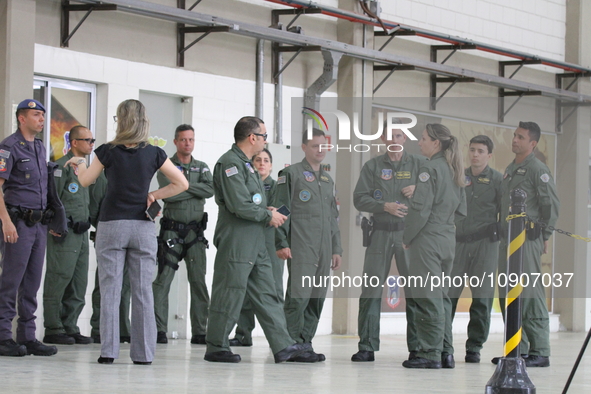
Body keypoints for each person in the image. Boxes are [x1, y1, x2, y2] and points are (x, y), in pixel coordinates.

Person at [66, 99, 188, 365]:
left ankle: (108, 351)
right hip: (143, 226)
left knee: (110, 289)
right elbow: (182, 183)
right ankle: (143, 354)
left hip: (111, 225)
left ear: (120, 120)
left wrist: (78, 163)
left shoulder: (107, 151)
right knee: (143, 291)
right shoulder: (154, 153)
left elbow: (86, 181)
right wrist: (154, 194)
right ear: (144, 120)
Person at [204, 116, 311, 363]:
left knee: (268, 293)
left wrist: (269, 211)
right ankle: (216, 346)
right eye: (263, 136)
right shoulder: (230, 163)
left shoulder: (247, 165)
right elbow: (239, 204)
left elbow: (253, 200)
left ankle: (282, 345)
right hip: (238, 241)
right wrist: (267, 215)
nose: (265, 140)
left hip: (257, 240)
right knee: (229, 292)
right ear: (253, 138)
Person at [0, 99, 67, 357]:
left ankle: (27, 336)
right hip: (16, 223)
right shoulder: (9, 147)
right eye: (36, 115)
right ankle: (3, 335)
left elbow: (46, 186)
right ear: (21, 118)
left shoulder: (40, 148)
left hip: (39, 225)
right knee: (10, 281)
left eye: (42, 115)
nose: (41, 119)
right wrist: (6, 221)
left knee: (32, 282)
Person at [351, 125, 424, 362]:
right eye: (390, 135)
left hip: (408, 236)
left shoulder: (419, 165)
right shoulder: (372, 166)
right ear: (382, 138)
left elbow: (437, 192)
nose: (394, 139)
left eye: (399, 135)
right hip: (380, 234)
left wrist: (419, 189)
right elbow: (359, 198)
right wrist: (384, 206)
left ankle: (418, 347)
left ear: (405, 138)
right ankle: (367, 346)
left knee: (414, 291)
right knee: (371, 289)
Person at [492, 121, 559, 368]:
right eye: (514, 136)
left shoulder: (537, 169)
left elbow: (550, 205)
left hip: (527, 240)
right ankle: (515, 349)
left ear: (533, 143)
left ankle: (540, 349)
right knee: (507, 294)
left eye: (520, 137)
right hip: (508, 240)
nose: (514, 140)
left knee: (529, 292)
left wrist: (545, 236)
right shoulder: (511, 168)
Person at [275, 128, 342, 362]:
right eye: (315, 146)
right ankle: (289, 344)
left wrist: (336, 248)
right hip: (301, 245)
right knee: (299, 296)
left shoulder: (327, 178)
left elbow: (333, 217)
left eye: (323, 146)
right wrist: (281, 242)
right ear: (304, 147)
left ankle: (305, 343)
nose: (320, 150)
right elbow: (281, 210)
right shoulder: (291, 174)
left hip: (324, 248)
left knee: (317, 297)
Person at [402, 123, 466, 369]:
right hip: (447, 238)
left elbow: (419, 210)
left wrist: (407, 237)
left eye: (424, 138)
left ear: (436, 143)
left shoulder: (429, 169)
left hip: (427, 240)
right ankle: (445, 352)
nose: (420, 142)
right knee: (441, 297)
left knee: (427, 296)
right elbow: (462, 211)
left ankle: (429, 353)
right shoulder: (454, 170)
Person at [153, 124, 213, 345]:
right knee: (163, 281)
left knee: (198, 282)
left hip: (195, 234)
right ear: (176, 142)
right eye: (184, 140)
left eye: (191, 139)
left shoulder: (202, 167)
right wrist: (189, 189)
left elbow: (210, 189)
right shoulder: (165, 166)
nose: (188, 143)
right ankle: (159, 329)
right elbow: (168, 197)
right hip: (172, 232)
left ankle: (200, 331)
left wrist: (180, 186)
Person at [448, 135, 502, 363]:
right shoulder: (458, 177)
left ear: (489, 155)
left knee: (482, 298)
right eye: (472, 150)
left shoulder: (499, 180)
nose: (475, 154)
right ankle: (443, 344)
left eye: (480, 151)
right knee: (448, 296)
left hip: (485, 245)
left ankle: (474, 347)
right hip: (458, 242)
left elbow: (506, 211)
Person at [42, 125, 96, 345]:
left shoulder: (88, 169)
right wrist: (54, 225)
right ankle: (53, 327)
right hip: (65, 232)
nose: (92, 144)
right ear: (74, 142)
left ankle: (70, 326)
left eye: (93, 140)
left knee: (78, 281)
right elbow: (52, 199)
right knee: (59, 278)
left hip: (82, 233)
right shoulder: (61, 167)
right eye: (88, 140)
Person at [230, 148, 284, 347]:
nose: (262, 163)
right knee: (244, 288)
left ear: (271, 165)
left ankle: (280, 339)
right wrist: (264, 211)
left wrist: (272, 213)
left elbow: (283, 210)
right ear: (252, 164)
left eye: (266, 160)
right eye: (258, 160)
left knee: (275, 289)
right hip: (250, 240)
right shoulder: (247, 184)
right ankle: (243, 334)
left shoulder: (277, 186)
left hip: (271, 241)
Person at [89, 171, 132, 344]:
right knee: (105, 283)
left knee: (126, 285)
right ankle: (99, 329)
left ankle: (122, 328)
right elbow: (94, 210)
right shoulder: (102, 177)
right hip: (109, 232)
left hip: (130, 232)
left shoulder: (133, 174)